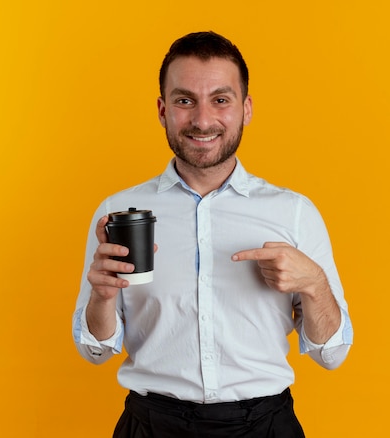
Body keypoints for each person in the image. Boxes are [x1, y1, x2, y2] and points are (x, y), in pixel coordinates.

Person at [72, 31, 353, 437]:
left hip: (265, 426)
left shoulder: (293, 213)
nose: (203, 120)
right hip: (151, 426)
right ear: (162, 109)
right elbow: (94, 351)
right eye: (185, 100)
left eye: (220, 100)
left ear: (247, 109)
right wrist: (101, 296)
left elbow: (332, 355)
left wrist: (315, 285)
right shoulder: (117, 215)